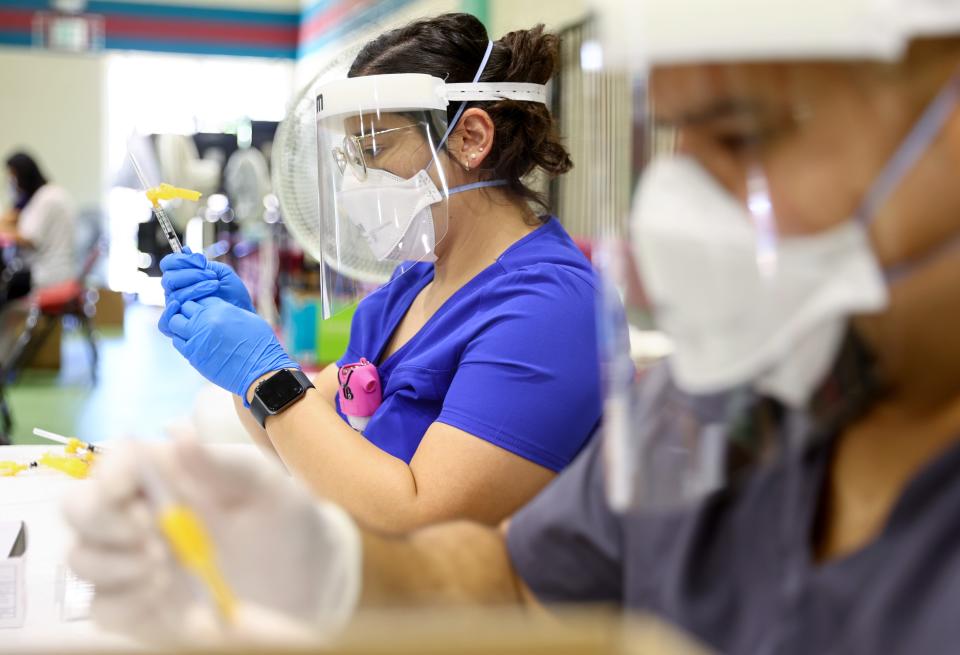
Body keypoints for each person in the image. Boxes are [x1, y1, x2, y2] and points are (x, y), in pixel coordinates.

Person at [66, 1, 960, 652]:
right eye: (684, 140)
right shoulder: (713, 408)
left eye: (747, 136)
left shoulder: (550, 305)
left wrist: (272, 385)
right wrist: (328, 570)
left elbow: (416, 498)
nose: (682, 205)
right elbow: (514, 579)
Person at [155, 14, 601, 534]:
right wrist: (242, 356)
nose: (353, 184)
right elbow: (300, 446)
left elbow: (421, 518)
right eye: (348, 158)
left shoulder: (549, 309)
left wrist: (264, 371)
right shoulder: (412, 286)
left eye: (371, 150)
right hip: (371, 591)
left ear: (471, 138)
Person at [1, 152, 76, 306]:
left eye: (13, 177)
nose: (12, 183)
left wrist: (5, 229)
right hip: (50, 269)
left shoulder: (46, 197)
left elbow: (30, 238)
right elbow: (13, 216)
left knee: (5, 290)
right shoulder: (41, 197)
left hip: (49, 273)